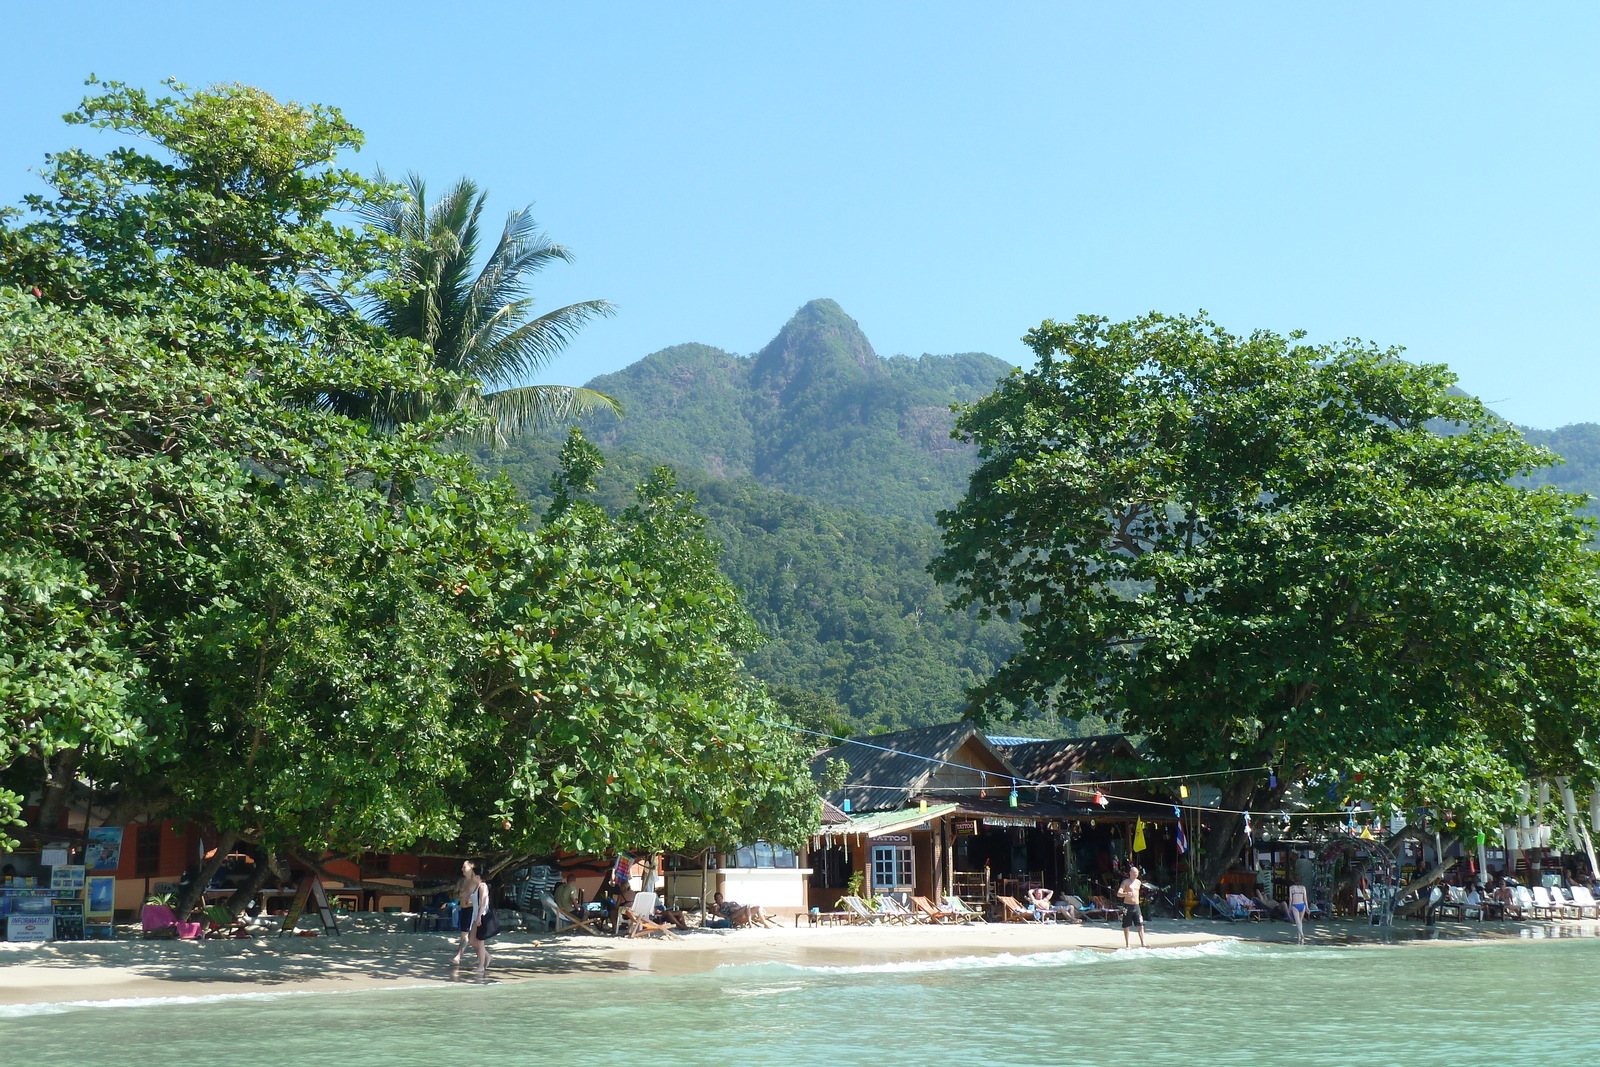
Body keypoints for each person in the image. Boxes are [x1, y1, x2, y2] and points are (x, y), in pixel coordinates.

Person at [452, 859, 492, 971]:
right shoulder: (474, 886)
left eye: (475, 875)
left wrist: (479, 916)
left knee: (479, 941)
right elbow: (466, 899)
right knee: (472, 941)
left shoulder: (482, 886)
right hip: (475, 916)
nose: (473, 877)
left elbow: (483, 902)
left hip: (481, 916)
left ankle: (481, 965)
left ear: (478, 876)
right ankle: (486, 958)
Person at [1117, 866, 1146, 948]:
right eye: (1134, 874)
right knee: (1126, 925)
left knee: (1140, 924)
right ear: (1130, 873)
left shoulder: (1138, 882)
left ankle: (1143, 943)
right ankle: (1127, 944)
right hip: (1127, 906)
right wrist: (1125, 894)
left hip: (1136, 906)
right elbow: (1118, 894)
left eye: (1136, 874)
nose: (1135, 876)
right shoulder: (1125, 882)